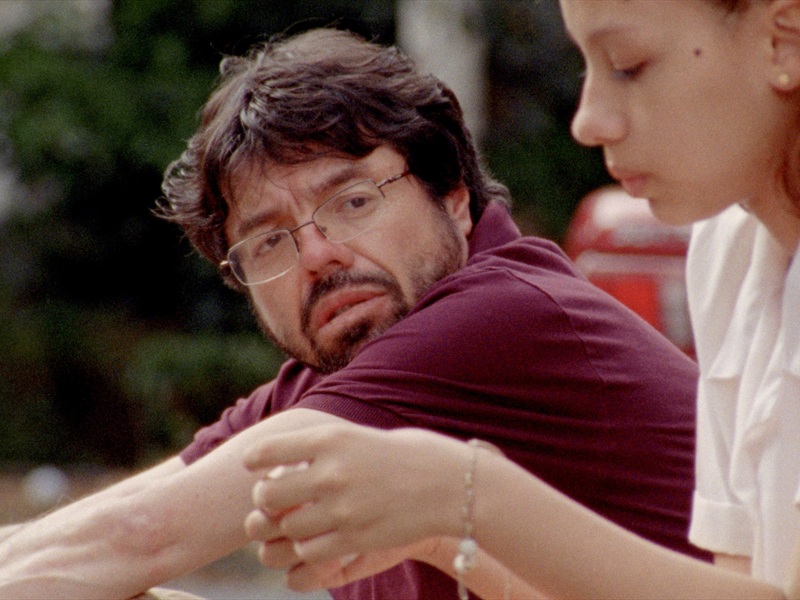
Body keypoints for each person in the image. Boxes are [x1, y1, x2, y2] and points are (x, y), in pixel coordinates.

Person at [0, 26, 707, 600]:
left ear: (454, 198)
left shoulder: (500, 318)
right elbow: (91, 532)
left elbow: (136, 538)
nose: (318, 254)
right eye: (270, 241)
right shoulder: (334, 382)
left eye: (354, 202)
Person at [242, 1, 800, 599]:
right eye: (268, 241)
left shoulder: (498, 310)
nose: (587, 122)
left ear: (783, 39)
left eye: (628, 64)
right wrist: (444, 532)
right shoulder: (731, 251)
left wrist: (469, 494)